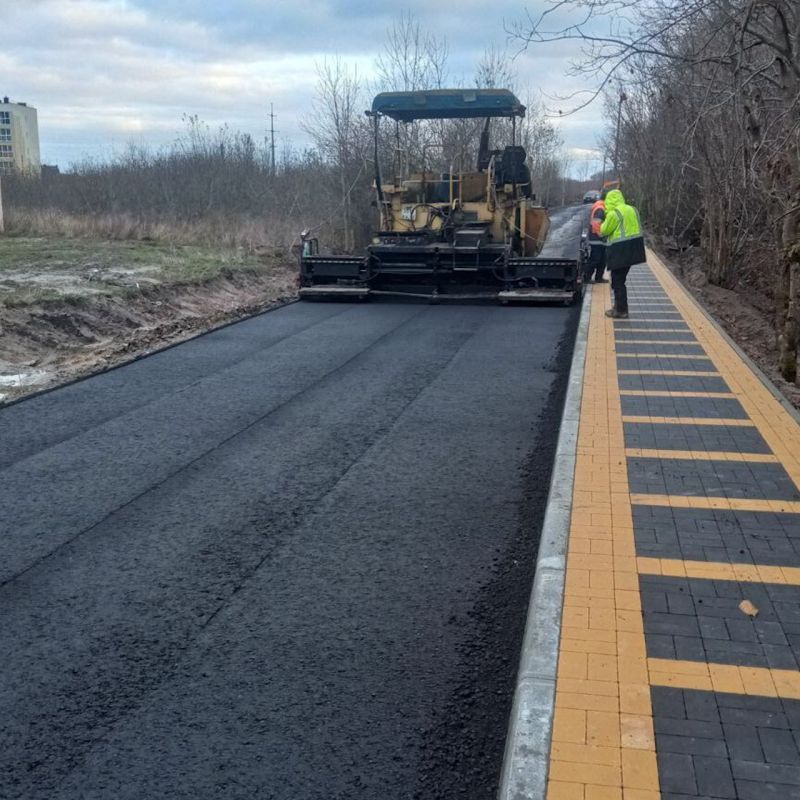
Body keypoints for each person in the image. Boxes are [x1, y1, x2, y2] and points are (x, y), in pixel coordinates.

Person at [600, 188, 646, 318]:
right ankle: (619, 307)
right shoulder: (633, 209)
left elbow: (604, 230)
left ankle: (621, 310)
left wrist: (602, 223)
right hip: (635, 249)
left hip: (620, 251)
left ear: (609, 200)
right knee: (621, 279)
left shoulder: (614, 214)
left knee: (617, 281)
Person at [584, 193, 607, 283]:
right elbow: (596, 223)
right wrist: (600, 234)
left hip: (600, 239)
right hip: (597, 238)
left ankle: (599, 277)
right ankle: (587, 277)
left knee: (602, 260)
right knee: (595, 259)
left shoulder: (601, 207)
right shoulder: (600, 209)